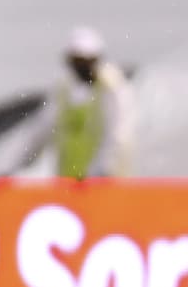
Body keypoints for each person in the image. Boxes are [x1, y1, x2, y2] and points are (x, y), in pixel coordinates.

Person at [19, 25, 134, 179]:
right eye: (77, 61)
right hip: (69, 184)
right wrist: (19, 166)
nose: (82, 67)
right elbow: (42, 131)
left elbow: (117, 136)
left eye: (86, 61)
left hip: (105, 185)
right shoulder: (63, 90)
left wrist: (98, 172)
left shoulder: (112, 89)